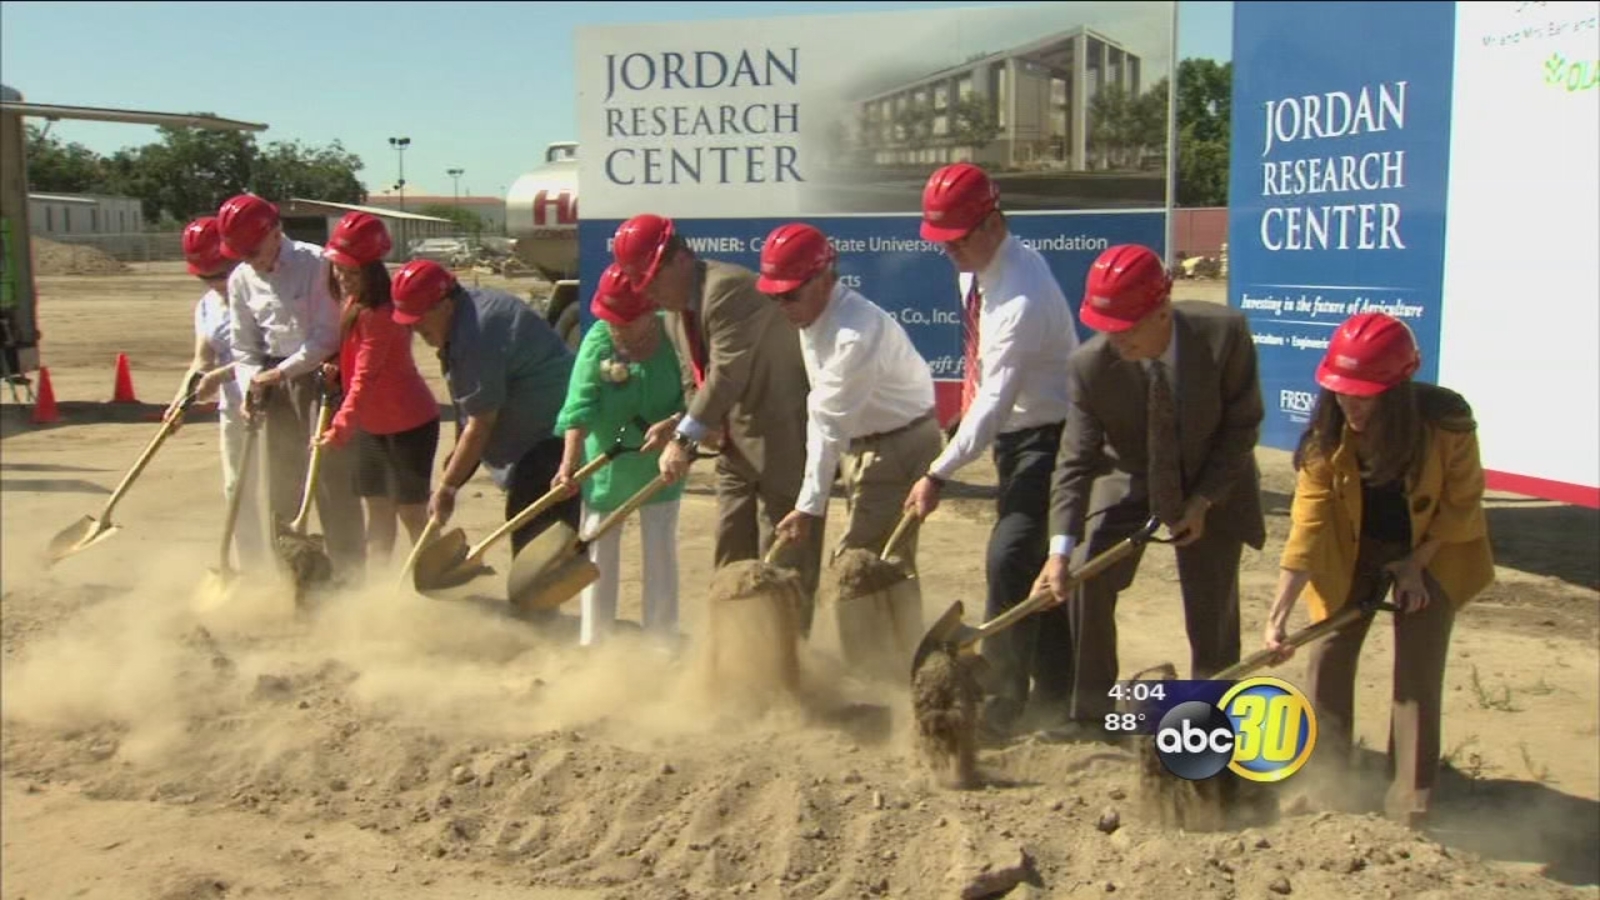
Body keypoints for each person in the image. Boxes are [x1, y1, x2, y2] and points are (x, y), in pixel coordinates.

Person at [1261, 311, 1493, 828]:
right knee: (1328, 650)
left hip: (1435, 546)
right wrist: (1278, 615)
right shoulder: (1327, 434)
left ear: (1398, 387)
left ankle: (1411, 799)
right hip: (1356, 546)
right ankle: (1327, 781)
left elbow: (1461, 505)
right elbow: (1309, 526)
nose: (1351, 404)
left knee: (1417, 668)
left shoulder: (1446, 422)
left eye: (1363, 395)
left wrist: (1414, 567)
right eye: (1342, 392)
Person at [1038, 243, 1265, 735]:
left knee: (1212, 607)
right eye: (1105, 329)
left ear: (1162, 310)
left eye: (1126, 330)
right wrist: (1060, 550)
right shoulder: (1090, 366)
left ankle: (1211, 718)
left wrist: (1202, 501)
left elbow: (1242, 428)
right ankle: (1094, 715)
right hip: (1133, 476)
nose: (1114, 342)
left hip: (1214, 477)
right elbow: (1075, 461)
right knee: (1084, 577)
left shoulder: (1224, 335)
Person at [902, 163, 1080, 736]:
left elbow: (997, 401)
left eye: (955, 239)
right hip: (1015, 440)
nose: (947, 251)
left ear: (993, 224)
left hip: (1050, 441)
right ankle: (1058, 695)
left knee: (1008, 557)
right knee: (1029, 564)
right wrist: (959, 426)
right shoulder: (976, 273)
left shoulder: (1022, 294)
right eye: (942, 241)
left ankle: (1001, 702)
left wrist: (937, 471)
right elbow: (984, 381)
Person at [610, 213, 825, 629]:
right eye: (641, 284)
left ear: (679, 261)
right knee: (730, 554)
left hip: (782, 437)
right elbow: (696, 378)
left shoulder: (726, 289)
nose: (649, 292)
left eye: (652, 279)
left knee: (782, 555)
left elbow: (728, 372)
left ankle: (788, 662)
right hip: (732, 447)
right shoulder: (673, 314)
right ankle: (733, 654)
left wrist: (684, 440)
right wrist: (687, 422)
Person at [759, 222, 942, 574]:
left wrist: (808, 507)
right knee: (887, 564)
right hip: (865, 443)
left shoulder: (853, 336)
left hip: (897, 445)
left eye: (790, 294)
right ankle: (901, 628)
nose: (782, 305)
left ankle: (890, 629)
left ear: (825, 279)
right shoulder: (815, 314)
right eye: (774, 296)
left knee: (857, 568)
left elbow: (827, 421)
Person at [218, 193, 366, 581]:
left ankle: (350, 576)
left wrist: (281, 374)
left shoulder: (315, 264)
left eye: (253, 250)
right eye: (242, 254)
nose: (251, 260)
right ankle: (293, 575)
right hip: (270, 380)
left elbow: (325, 335)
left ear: (275, 232)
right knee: (281, 483)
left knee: (332, 480)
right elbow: (243, 344)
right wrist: (252, 384)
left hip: (321, 375)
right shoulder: (241, 279)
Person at [388, 259, 579, 556]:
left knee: (535, 544)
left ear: (444, 305)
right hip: (537, 441)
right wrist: (457, 462)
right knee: (531, 533)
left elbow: (481, 424)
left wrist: (448, 488)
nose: (415, 327)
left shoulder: (476, 333)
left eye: (419, 318)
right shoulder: (462, 321)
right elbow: (468, 408)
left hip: (552, 441)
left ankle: (538, 600)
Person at [552, 264, 687, 647]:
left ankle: (662, 643)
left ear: (650, 312)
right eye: (610, 320)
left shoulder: (675, 335)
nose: (616, 329)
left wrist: (677, 427)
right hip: (606, 463)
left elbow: (696, 394)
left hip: (661, 463)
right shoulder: (598, 340)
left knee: (660, 551)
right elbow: (579, 406)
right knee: (598, 554)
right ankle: (594, 642)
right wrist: (569, 464)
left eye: (625, 322)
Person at [312, 212, 441, 567]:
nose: (343, 277)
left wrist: (339, 427)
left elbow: (366, 378)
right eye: (338, 268)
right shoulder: (351, 303)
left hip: (409, 424)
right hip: (371, 426)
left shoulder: (382, 313)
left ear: (373, 271)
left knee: (411, 512)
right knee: (378, 511)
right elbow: (355, 361)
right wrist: (338, 364)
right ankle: (379, 592)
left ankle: (437, 578)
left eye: (352, 272)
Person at [165, 215, 267, 570]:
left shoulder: (259, 295)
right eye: (206, 277)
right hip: (233, 409)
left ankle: (288, 565)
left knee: (276, 492)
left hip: (271, 406)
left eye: (220, 274)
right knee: (235, 490)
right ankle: (251, 569)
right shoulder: (207, 305)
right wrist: (183, 396)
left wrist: (220, 376)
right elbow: (201, 359)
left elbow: (268, 356)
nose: (215, 283)